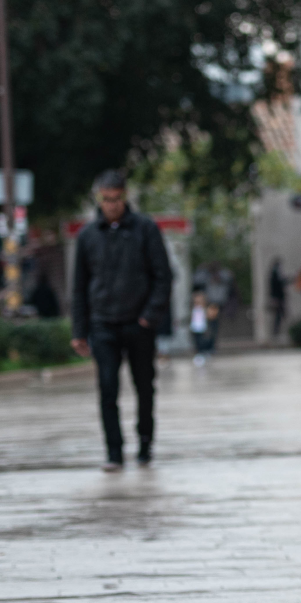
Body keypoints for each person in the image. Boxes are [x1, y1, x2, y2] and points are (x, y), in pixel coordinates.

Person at [70, 170, 173, 472]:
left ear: (124, 197)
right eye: (106, 199)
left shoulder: (145, 229)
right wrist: (79, 330)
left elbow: (164, 277)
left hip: (138, 323)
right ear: (98, 199)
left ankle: (145, 444)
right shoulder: (87, 236)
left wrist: (149, 317)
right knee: (107, 387)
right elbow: (79, 287)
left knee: (144, 386)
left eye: (116, 199)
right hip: (103, 324)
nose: (111, 205)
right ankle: (114, 452)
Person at [190, 289, 210, 366]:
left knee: (202, 341)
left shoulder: (204, 309)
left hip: (202, 328)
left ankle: (203, 353)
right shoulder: (193, 309)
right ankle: (198, 353)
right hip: (195, 328)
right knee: (196, 341)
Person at [269, 257, 286, 338]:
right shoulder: (275, 274)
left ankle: (277, 332)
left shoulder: (274, 274)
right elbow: (278, 284)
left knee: (280, 315)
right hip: (278, 298)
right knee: (279, 315)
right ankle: (276, 333)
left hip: (278, 298)